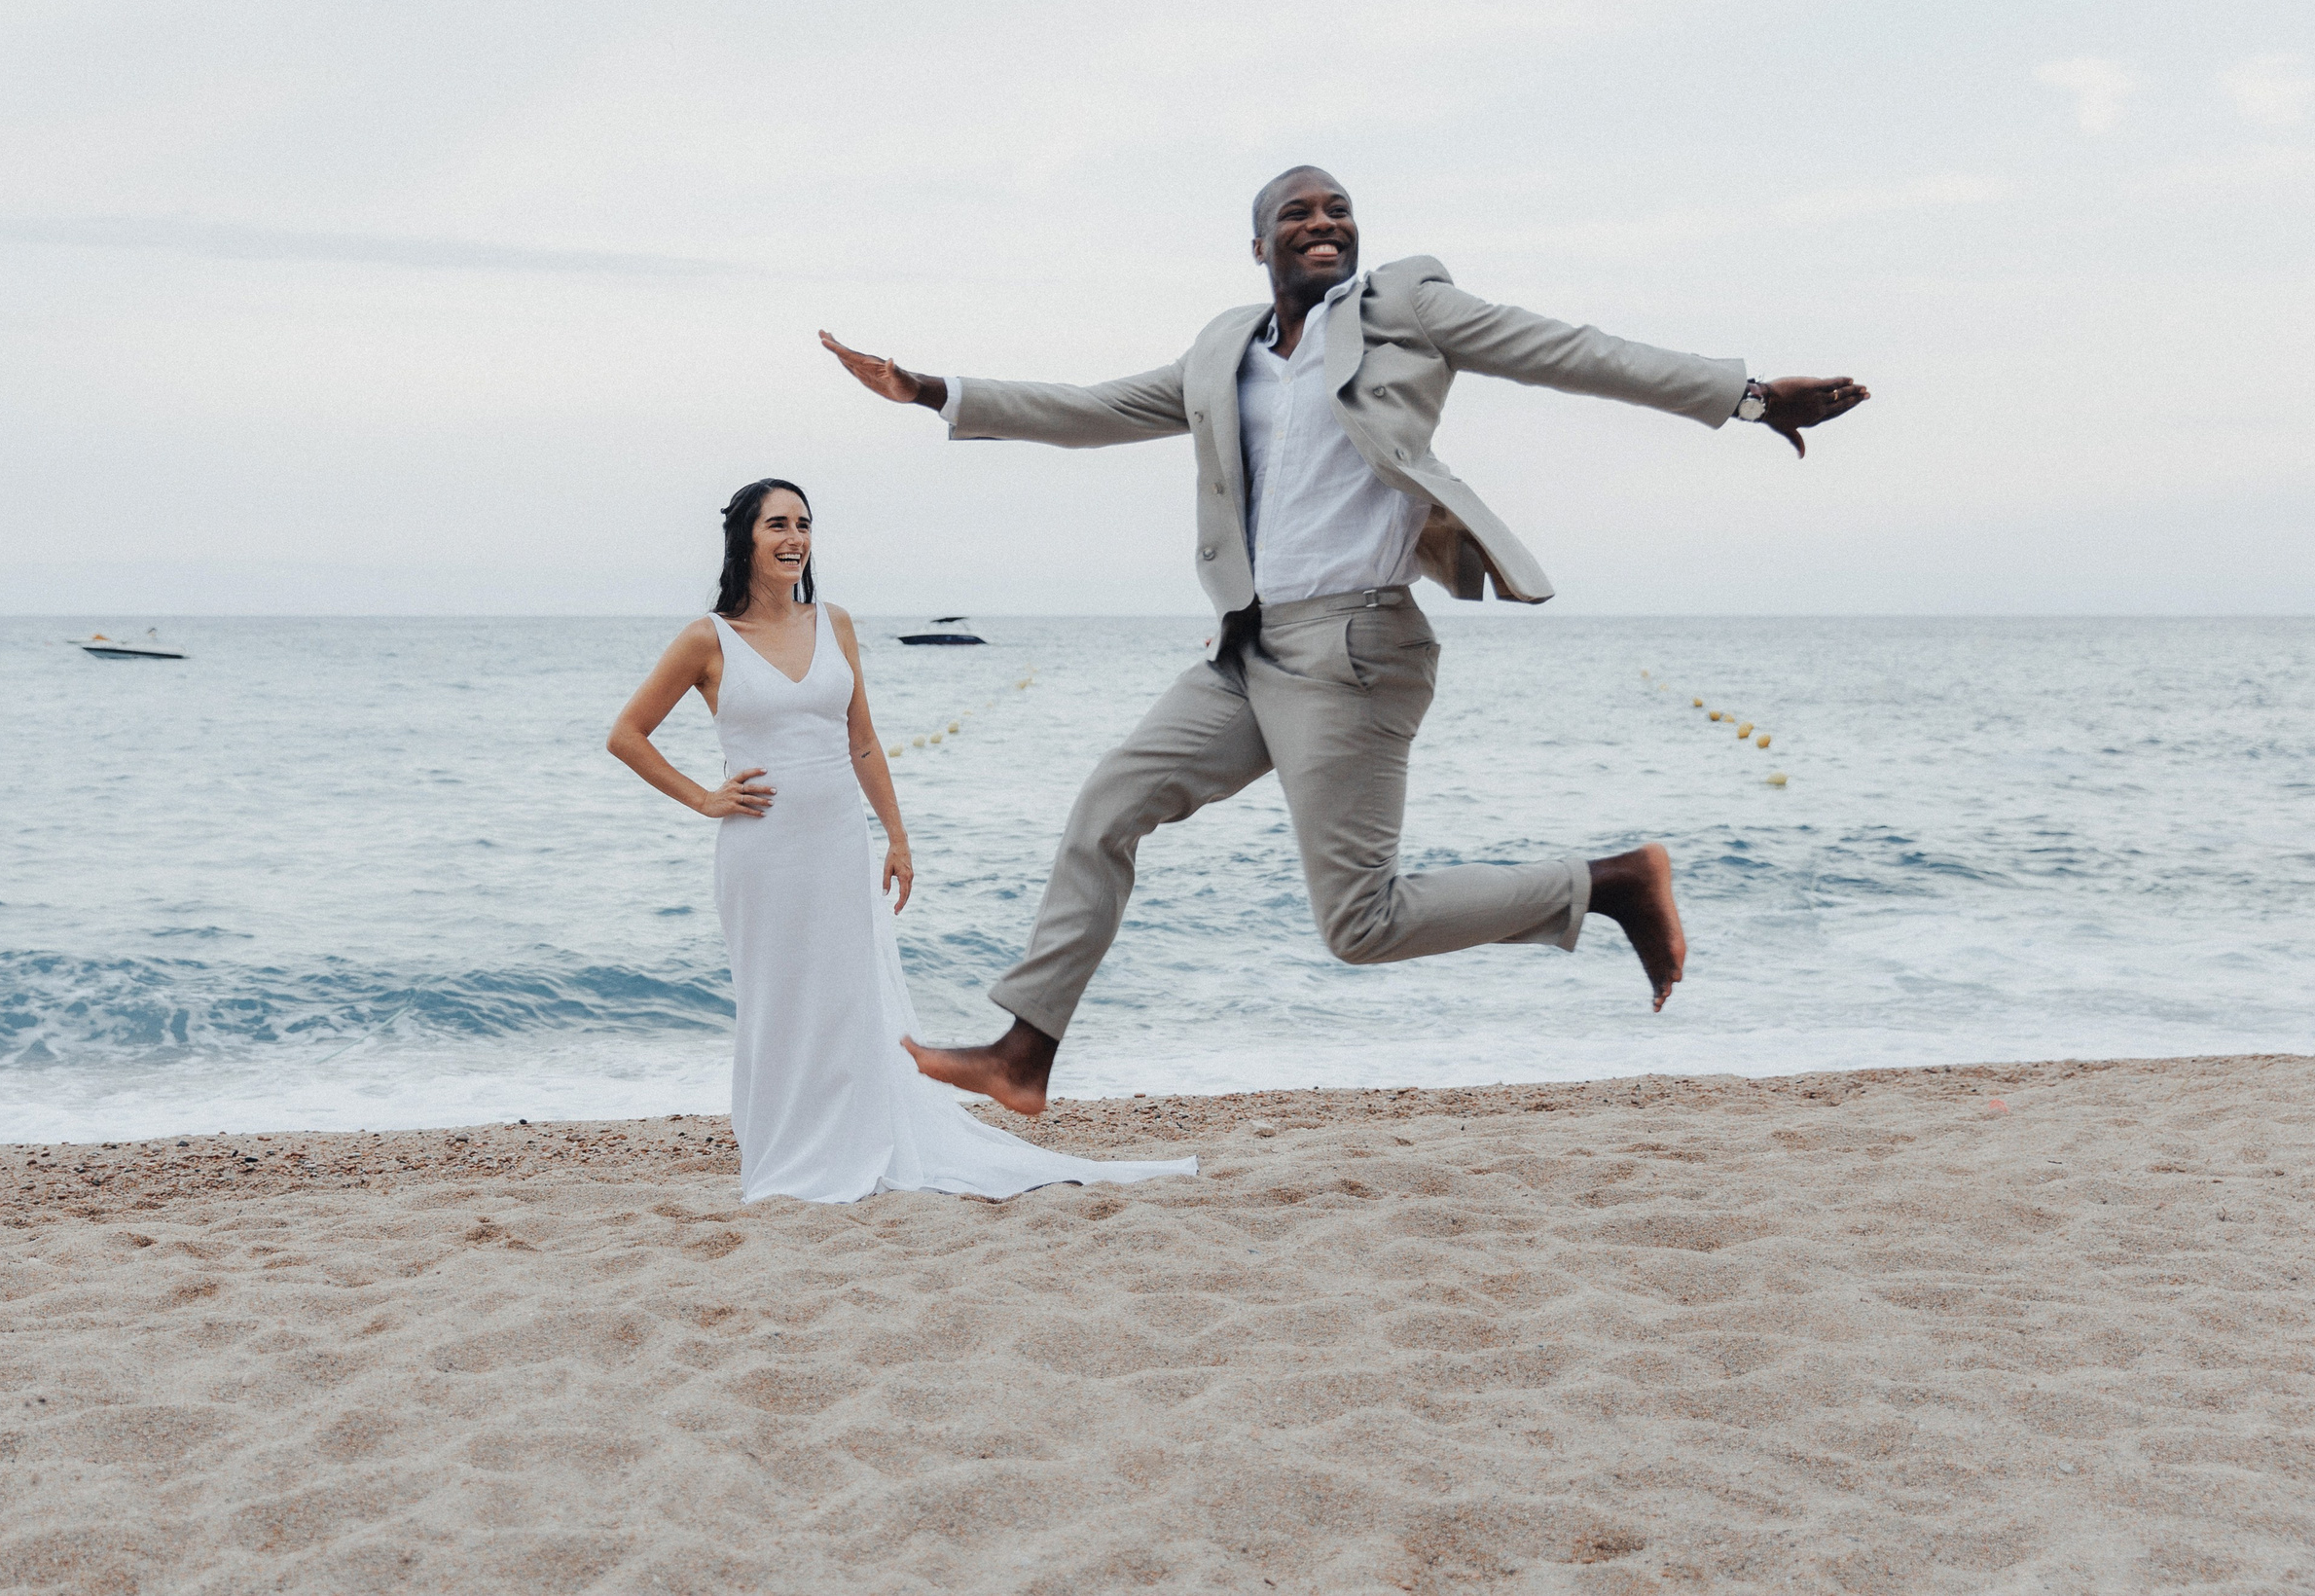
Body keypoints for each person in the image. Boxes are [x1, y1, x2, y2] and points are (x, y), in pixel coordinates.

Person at [820, 164, 1870, 1117]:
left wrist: (1743, 396)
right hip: (1248, 648)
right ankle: (1023, 1052)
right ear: (1258, 244)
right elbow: (1095, 407)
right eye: (1298, 213)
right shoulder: (1222, 348)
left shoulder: (1404, 308)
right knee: (1107, 805)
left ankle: (1609, 883)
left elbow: (1570, 349)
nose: (1323, 225)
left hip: (1355, 650)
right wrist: (933, 391)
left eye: (1338, 211)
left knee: (1358, 923)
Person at [605, 478, 1197, 1202]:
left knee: (851, 999)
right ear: (745, 539)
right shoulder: (708, 639)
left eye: (804, 524)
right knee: (777, 1002)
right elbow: (626, 736)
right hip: (760, 853)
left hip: (838, 845)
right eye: (777, 526)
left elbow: (861, 741)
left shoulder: (836, 624)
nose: (795, 539)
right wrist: (703, 796)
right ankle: (787, 1152)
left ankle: (853, 1143)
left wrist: (897, 835)